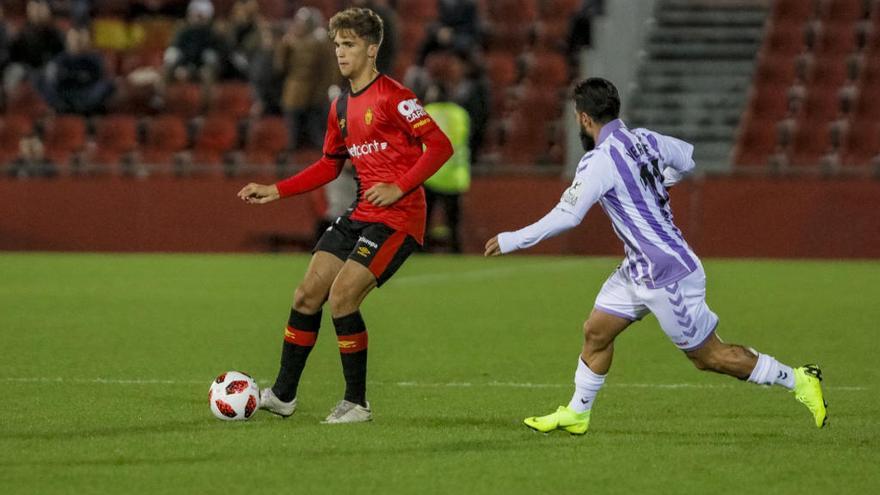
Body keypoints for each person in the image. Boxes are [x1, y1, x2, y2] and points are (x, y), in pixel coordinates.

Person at [484, 77, 827, 434]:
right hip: (639, 267)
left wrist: (513, 239)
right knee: (596, 332)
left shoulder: (598, 161)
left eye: (576, 116)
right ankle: (577, 413)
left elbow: (568, 215)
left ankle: (799, 379)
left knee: (708, 356)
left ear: (585, 119)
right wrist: (662, 179)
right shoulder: (645, 139)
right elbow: (687, 156)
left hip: (667, 274)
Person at [237, 7, 453, 424]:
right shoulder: (340, 108)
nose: (340, 52)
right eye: (337, 44)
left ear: (372, 50)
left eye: (349, 44)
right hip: (360, 214)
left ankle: (357, 403)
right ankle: (282, 395)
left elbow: (440, 146)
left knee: (342, 298)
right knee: (306, 295)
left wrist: (400, 186)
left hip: (398, 218)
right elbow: (328, 165)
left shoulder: (396, 97)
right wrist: (275, 190)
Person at [276, 7, 338, 151]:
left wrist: (321, 94)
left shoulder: (322, 43)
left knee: (316, 139)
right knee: (293, 139)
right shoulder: (289, 42)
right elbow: (280, 68)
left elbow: (329, 72)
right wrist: (284, 47)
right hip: (293, 96)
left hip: (314, 98)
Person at [423, 84, 470, 253]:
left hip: (430, 174)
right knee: (453, 222)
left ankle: (421, 250)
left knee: (424, 220)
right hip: (454, 176)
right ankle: (456, 250)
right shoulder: (460, 113)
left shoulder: (427, 111)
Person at [37, 28, 114, 115]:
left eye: (79, 40)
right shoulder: (58, 60)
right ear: (67, 41)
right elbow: (52, 81)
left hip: (87, 94)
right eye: (73, 39)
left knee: (108, 85)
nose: (76, 42)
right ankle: (65, 109)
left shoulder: (95, 59)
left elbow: (100, 80)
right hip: (64, 95)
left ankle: (81, 109)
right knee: (41, 80)